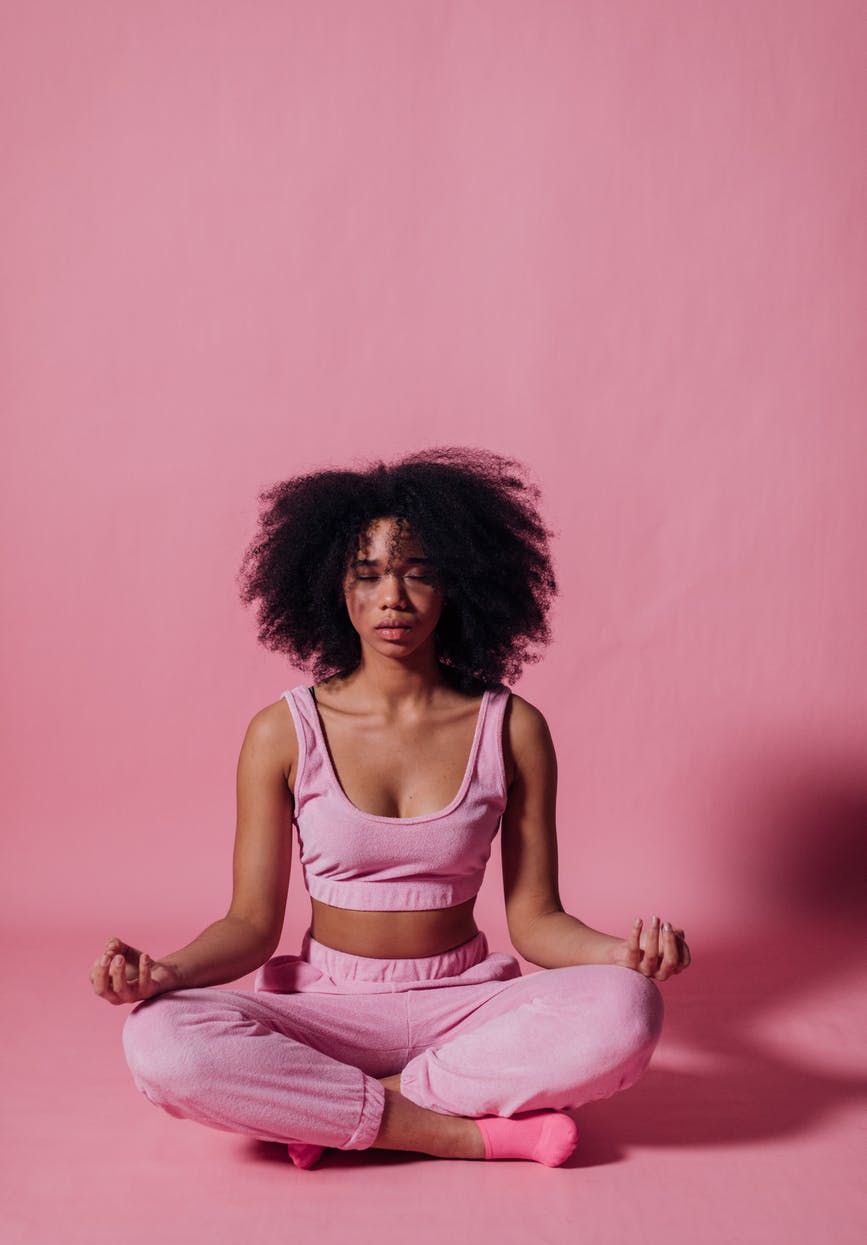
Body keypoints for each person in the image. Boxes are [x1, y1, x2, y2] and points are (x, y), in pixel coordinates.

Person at [90, 446, 691, 1169]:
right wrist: (164, 975)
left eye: (418, 572)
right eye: (367, 574)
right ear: (330, 587)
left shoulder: (513, 728)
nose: (392, 599)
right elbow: (250, 925)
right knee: (160, 1041)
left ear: (458, 584)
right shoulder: (282, 731)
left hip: (464, 1006)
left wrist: (620, 955)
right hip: (324, 1009)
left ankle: (334, 1111)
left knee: (627, 1009)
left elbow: (536, 922)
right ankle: (464, 1134)